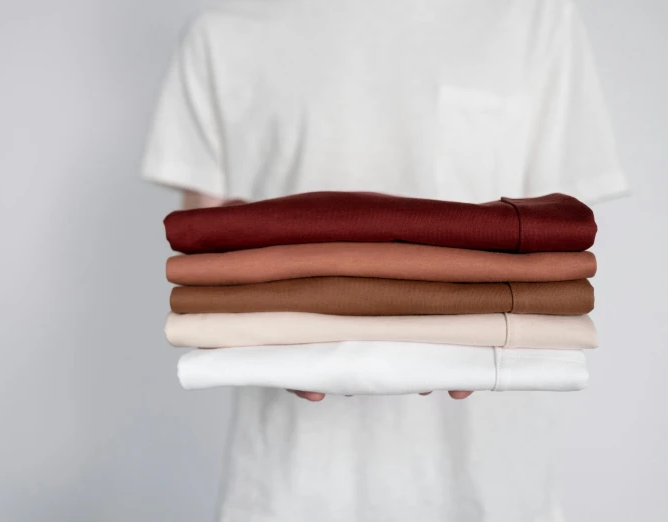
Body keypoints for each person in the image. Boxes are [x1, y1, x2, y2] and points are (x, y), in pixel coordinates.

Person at [143, 1, 628, 520]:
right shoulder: (223, 34)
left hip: (491, 484)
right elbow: (210, 262)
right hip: (291, 488)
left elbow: (562, 236)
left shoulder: (536, 19)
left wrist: (488, 322)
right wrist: (254, 337)